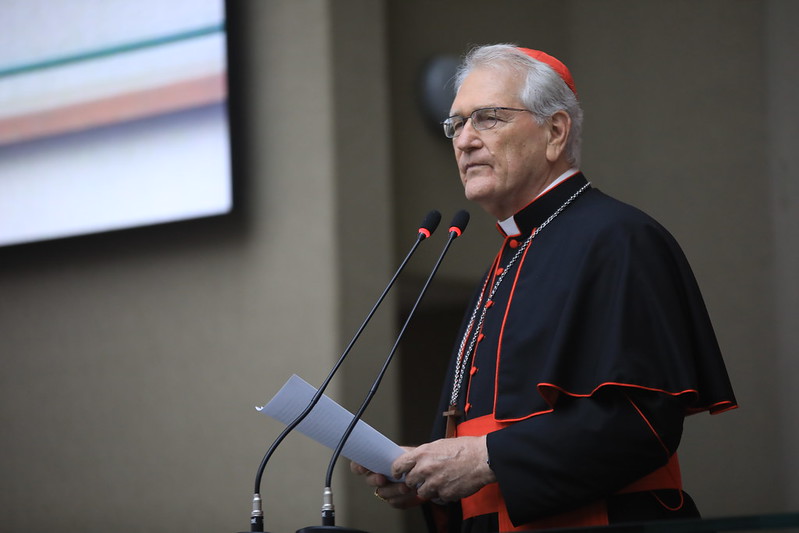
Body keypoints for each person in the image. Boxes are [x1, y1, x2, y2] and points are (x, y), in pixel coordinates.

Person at [351, 44, 737, 532]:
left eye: (487, 118)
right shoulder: (506, 261)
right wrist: (426, 474)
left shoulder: (620, 238)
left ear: (555, 132)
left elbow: (642, 421)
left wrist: (487, 458)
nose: (464, 141)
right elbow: (478, 444)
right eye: (457, 124)